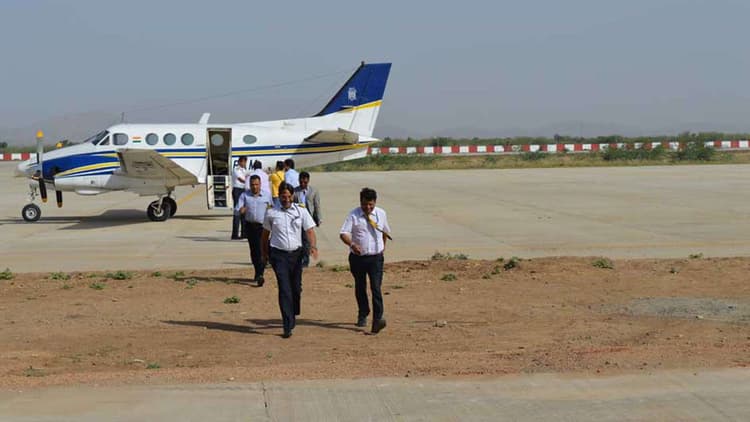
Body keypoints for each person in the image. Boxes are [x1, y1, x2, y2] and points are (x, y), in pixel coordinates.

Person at [262, 182, 319, 338]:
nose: (286, 199)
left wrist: (313, 246)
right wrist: (264, 254)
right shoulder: (271, 212)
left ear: (292, 196)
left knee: (296, 288)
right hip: (278, 255)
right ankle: (287, 324)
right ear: (279, 196)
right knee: (284, 288)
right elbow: (265, 236)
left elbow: (310, 230)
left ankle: (293, 311)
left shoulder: (301, 211)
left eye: (288, 196)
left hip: (296, 255)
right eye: (283, 196)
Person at [339, 187, 391, 334]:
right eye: (364, 204)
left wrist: (382, 248)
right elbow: (343, 233)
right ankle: (363, 312)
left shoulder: (381, 214)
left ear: (375, 202)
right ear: (360, 202)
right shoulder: (354, 215)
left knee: (376, 288)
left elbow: (385, 231)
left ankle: (378, 319)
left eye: (370, 204)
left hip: (376, 258)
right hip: (358, 258)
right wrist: (352, 244)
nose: (367, 207)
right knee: (360, 286)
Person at [237, 175, 272, 286]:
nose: (254, 187)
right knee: (254, 250)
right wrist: (241, 210)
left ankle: (260, 273)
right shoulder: (244, 195)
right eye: (252, 185)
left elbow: (272, 208)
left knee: (262, 249)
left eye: (256, 184)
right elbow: (238, 209)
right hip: (250, 226)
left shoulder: (267, 196)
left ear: (260, 184)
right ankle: (258, 271)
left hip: (263, 227)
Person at [293, 171, 322, 267]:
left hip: (309, 218)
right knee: (299, 240)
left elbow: (317, 205)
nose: (303, 184)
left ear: (308, 181)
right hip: (298, 218)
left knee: (307, 240)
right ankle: (299, 259)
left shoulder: (314, 191)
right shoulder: (295, 191)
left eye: (305, 182)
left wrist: (318, 218)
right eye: (301, 182)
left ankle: (305, 261)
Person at [231, 156, 248, 240]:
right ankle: (235, 234)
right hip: (237, 190)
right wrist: (248, 181)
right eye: (244, 162)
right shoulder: (236, 170)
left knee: (244, 212)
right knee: (237, 211)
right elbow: (241, 180)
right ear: (240, 162)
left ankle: (244, 233)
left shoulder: (244, 170)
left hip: (243, 190)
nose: (245, 163)